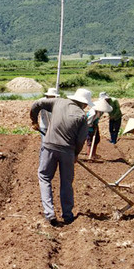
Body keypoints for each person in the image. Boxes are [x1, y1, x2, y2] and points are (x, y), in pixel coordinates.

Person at [29, 87, 90, 226]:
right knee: (66, 182)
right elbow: (81, 140)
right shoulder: (82, 116)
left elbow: (37, 104)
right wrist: (75, 155)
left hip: (49, 146)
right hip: (68, 151)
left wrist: (34, 120)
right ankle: (68, 215)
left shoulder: (58, 102)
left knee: (44, 177)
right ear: (84, 104)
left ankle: (49, 213)